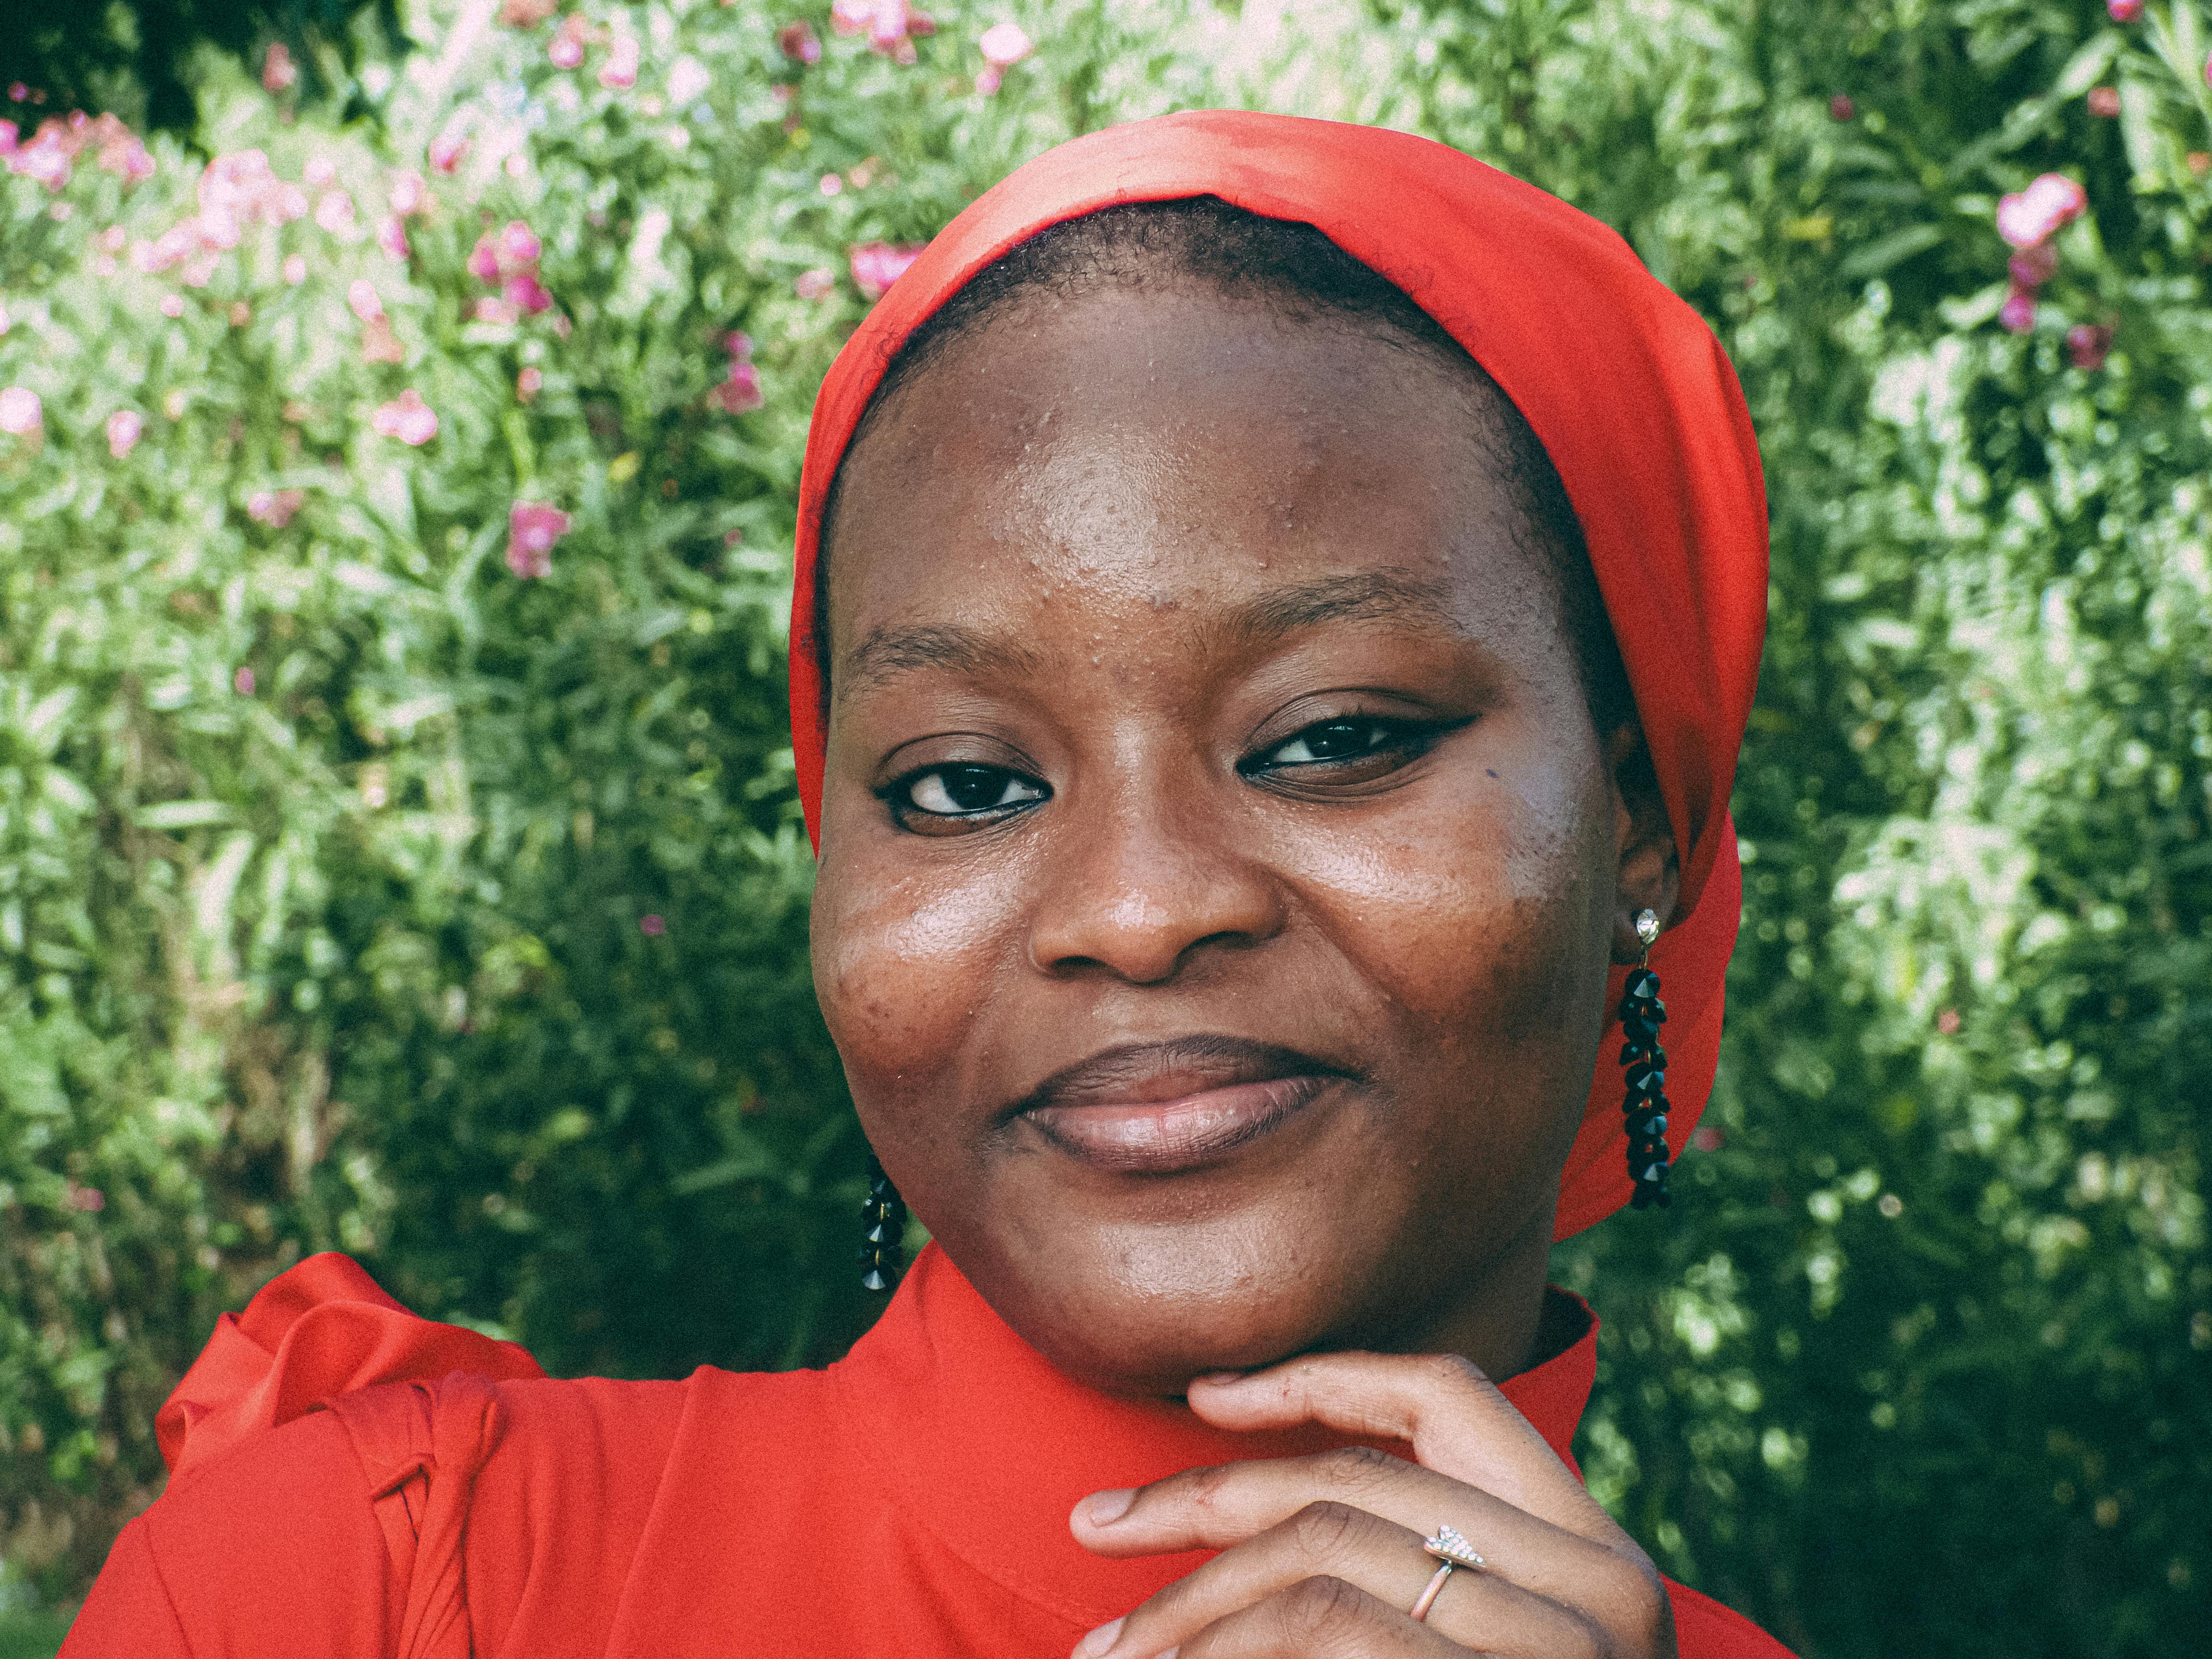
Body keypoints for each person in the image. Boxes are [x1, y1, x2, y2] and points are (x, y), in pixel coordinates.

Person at [63, 111, 1780, 1657]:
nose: (1136, 907)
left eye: (1330, 739)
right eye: (967, 784)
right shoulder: (379, 1592)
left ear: (1637, 818)